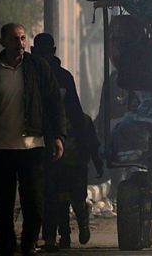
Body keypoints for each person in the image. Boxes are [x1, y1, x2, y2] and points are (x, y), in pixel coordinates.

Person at [0, 23, 66, 256]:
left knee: (34, 203)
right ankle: (7, 247)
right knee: (3, 205)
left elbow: (54, 103)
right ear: (3, 42)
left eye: (23, 38)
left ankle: (29, 244)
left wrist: (59, 136)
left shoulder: (38, 67)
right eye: (15, 39)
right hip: (0, 147)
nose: (20, 43)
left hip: (32, 146)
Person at [31, 33, 104, 252]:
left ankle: (73, 227)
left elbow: (73, 111)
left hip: (65, 146)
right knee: (57, 196)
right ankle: (60, 236)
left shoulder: (54, 76)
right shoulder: (40, 75)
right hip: (53, 144)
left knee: (69, 196)